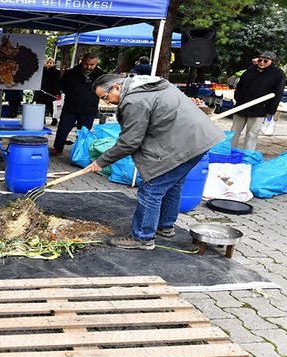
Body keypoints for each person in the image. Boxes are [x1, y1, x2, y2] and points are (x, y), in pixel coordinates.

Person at [86, 74, 225, 251]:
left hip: (185, 144)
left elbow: (129, 142)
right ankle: (165, 226)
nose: (107, 103)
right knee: (173, 184)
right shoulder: (151, 83)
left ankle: (142, 237)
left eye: (105, 97)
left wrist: (100, 162)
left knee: (151, 189)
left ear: (116, 87)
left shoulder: (134, 100)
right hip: (197, 140)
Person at [51, 52, 104, 156]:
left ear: (96, 63)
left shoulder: (100, 75)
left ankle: (79, 151)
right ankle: (58, 147)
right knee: (63, 129)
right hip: (70, 106)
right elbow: (61, 86)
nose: (89, 67)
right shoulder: (71, 73)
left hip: (89, 108)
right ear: (82, 62)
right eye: (86, 64)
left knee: (83, 133)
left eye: (92, 65)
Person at [230, 51, 285, 150]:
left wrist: (270, 111)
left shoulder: (278, 74)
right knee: (233, 132)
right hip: (241, 107)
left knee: (252, 134)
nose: (262, 62)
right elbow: (239, 87)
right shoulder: (250, 71)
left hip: (259, 109)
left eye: (265, 61)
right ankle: (228, 152)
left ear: (272, 62)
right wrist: (238, 99)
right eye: (260, 60)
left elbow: (278, 93)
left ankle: (248, 156)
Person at [34, 57, 60, 126]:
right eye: (48, 62)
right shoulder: (42, 71)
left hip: (51, 92)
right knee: (40, 106)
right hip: (42, 91)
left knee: (51, 107)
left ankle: (54, 120)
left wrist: (57, 93)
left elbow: (57, 83)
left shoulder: (56, 72)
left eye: (51, 63)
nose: (49, 64)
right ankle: (42, 120)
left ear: (53, 64)